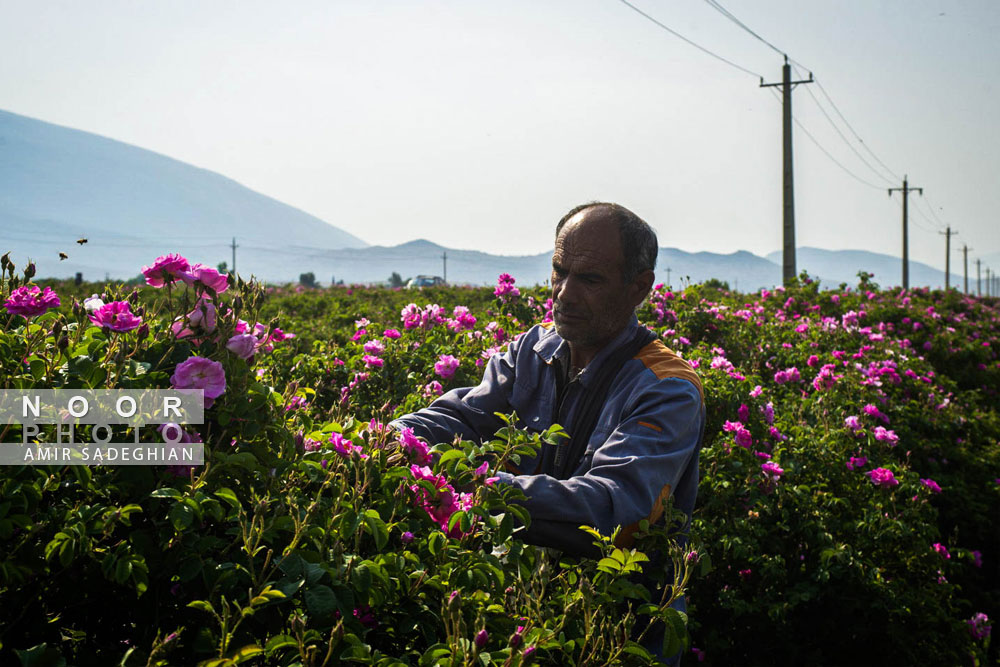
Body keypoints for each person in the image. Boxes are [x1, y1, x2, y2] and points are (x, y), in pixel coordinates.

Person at [393, 202, 703, 661]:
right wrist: (391, 440)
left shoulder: (667, 387)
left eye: (590, 280)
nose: (564, 294)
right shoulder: (530, 351)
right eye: (559, 272)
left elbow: (613, 506)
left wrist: (481, 488)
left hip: (619, 636)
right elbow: (460, 417)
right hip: (529, 620)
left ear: (639, 288)